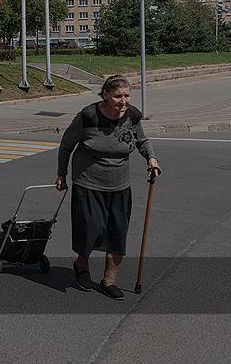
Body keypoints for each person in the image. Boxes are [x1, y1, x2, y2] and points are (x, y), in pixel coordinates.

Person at [56, 74, 162, 300]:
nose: (124, 101)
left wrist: (151, 158)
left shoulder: (132, 116)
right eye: (118, 96)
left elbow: (142, 141)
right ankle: (81, 265)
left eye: (127, 96)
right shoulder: (88, 116)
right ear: (105, 95)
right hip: (88, 184)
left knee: (117, 234)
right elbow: (66, 145)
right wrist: (61, 174)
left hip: (119, 186)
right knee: (90, 231)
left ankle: (109, 280)